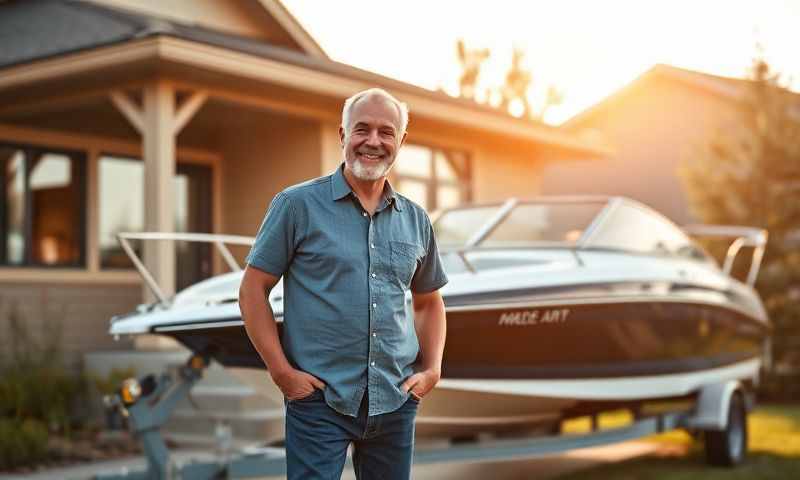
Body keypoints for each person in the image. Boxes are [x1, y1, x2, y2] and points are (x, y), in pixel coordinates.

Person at [238, 88, 448, 480]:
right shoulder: (296, 205)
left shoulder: (416, 219)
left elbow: (428, 301)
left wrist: (432, 369)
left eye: (386, 132)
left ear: (401, 142)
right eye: (362, 129)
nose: (373, 141)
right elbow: (252, 290)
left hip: (394, 399)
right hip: (318, 402)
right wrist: (282, 373)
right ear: (342, 135)